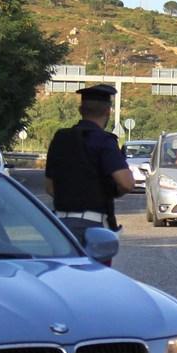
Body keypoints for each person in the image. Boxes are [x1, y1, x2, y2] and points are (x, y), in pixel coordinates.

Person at [45, 84, 134, 244]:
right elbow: (126, 183)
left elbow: (50, 188)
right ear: (108, 112)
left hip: (60, 227)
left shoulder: (60, 139)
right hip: (93, 226)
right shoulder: (105, 141)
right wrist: (111, 193)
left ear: (80, 110)